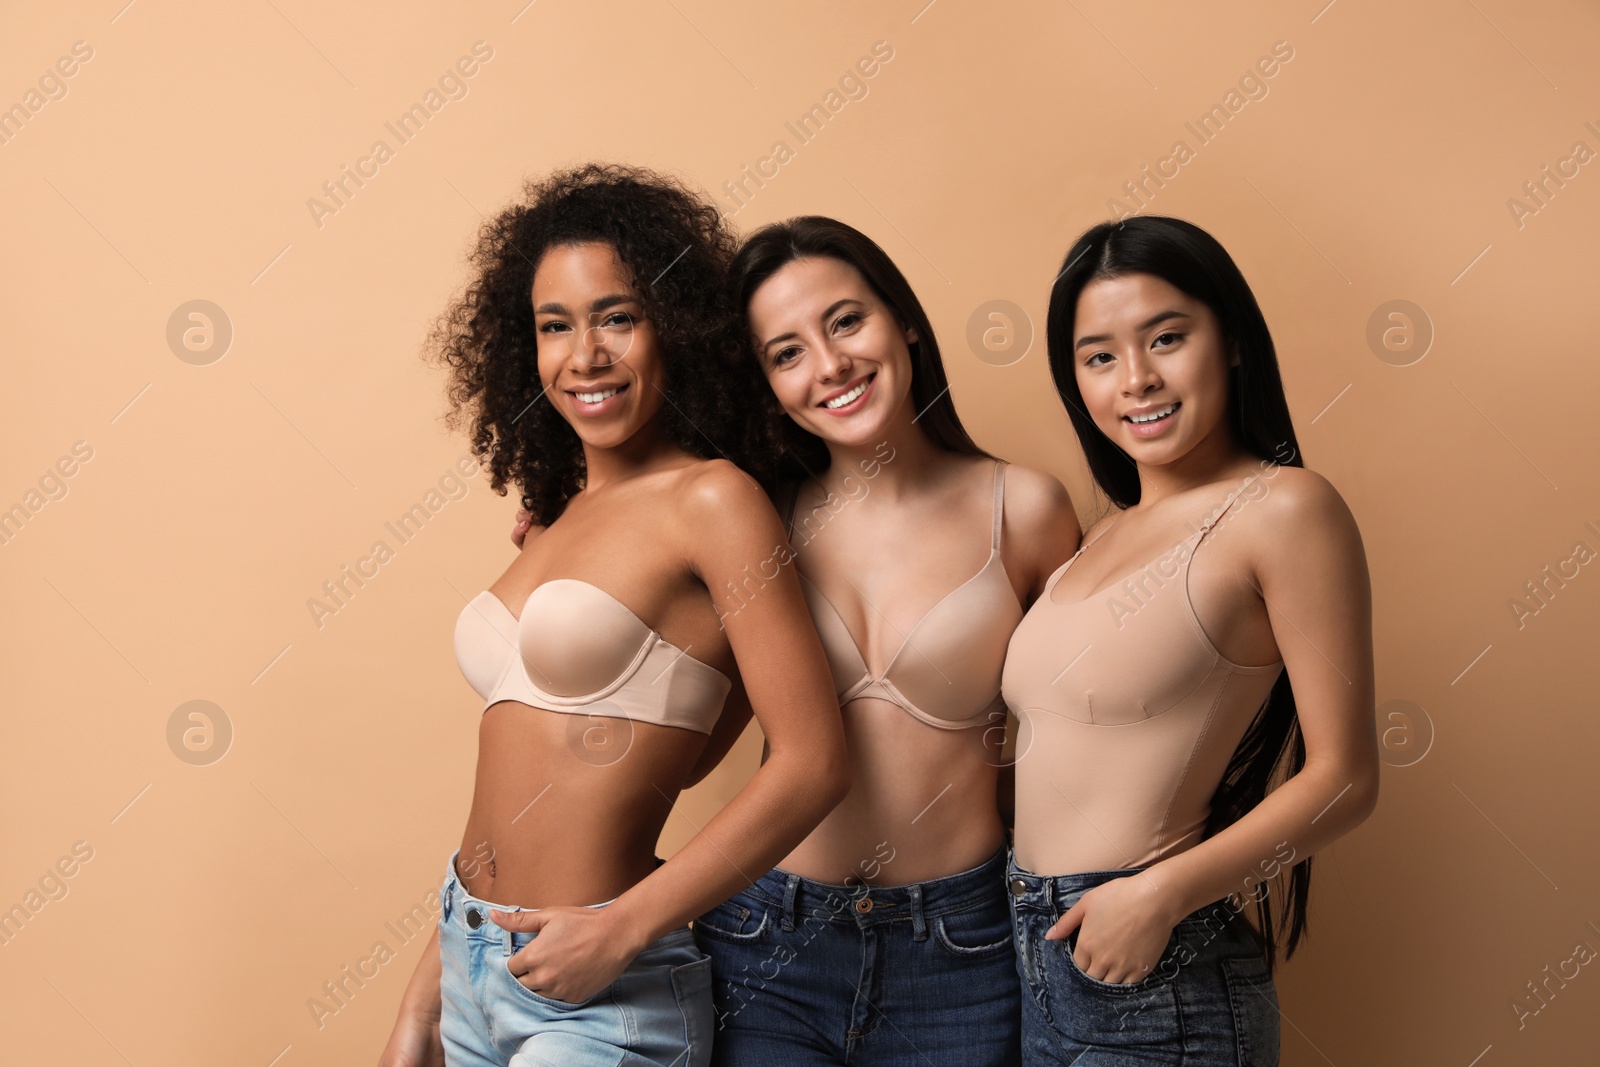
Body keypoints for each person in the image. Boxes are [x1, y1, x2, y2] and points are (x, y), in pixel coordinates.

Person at [378, 165, 849, 1067]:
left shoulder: (715, 503)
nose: (584, 354)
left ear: (676, 328)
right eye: (555, 325)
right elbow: (520, 788)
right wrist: (424, 1000)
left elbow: (814, 762)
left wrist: (624, 927)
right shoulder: (552, 520)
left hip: (600, 992)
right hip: (464, 963)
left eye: (617, 317)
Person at [684, 216, 1079, 1066]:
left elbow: (1087, 727)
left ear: (902, 318)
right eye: (785, 353)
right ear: (767, 385)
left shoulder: (1026, 511)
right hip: (766, 940)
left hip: (960, 952)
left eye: (845, 321)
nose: (829, 366)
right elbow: (671, 711)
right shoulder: (759, 519)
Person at [1002, 215, 1379, 1065]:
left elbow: (1347, 777)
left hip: (1157, 968)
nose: (1136, 379)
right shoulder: (1096, 540)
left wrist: (1161, 893)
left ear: (1233, 340)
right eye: (1099, 356)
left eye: (1166, 337)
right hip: (1033, 950)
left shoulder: (1284, 509)